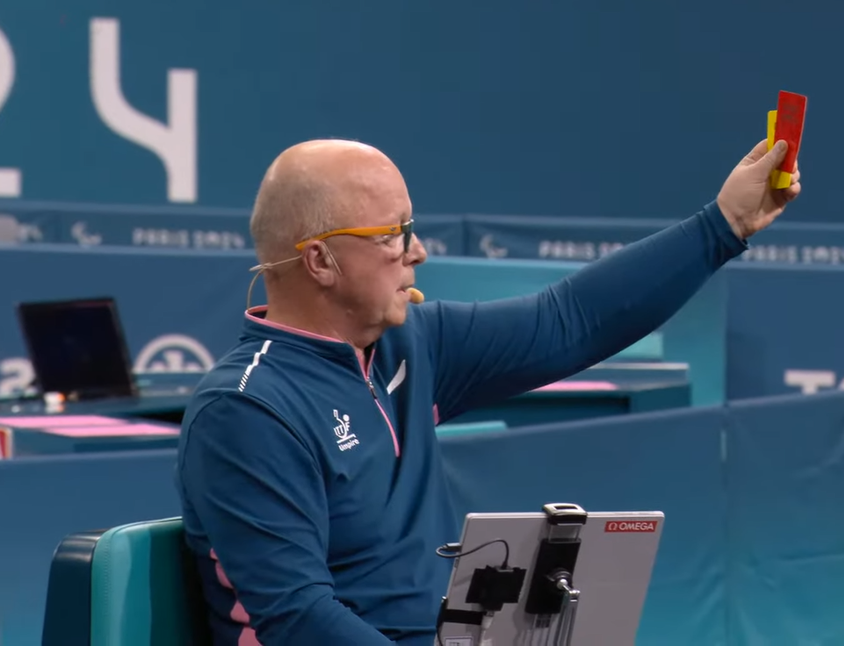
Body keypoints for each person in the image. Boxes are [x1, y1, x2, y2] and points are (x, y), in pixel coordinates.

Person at [175, 136, 801, 645]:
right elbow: (297, 619)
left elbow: (570, 320)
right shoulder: (246, 410)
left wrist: (724, 225)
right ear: (320, 262)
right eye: (393, 233)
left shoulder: (411, 344)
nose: (417, 251)